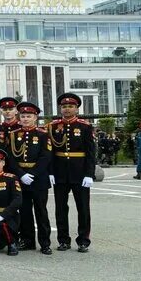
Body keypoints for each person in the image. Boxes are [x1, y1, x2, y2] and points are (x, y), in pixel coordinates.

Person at [49, 93, 96, 253]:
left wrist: (89, 174)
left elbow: (91, 152)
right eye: (64, 106)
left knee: (83, 207)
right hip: (60, 172)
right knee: (60, 208)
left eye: (70, 106)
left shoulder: (85, 126)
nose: (67, 109)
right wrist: (51, 172)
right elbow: (50, 152)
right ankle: (63, 240)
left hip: (80, 172)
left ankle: (83, 240)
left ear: (76, 108)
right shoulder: (53, 127)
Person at [7, 102, 53, 254]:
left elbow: (45, 157)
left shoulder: (43, 134)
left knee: (41, 211)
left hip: (38, 178)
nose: (26, 119)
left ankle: (45, 242)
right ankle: (27, 241)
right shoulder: (13, 135)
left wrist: (32, 174)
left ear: (35, 117)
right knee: (24, 211)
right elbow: (11, 158)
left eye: (29, 116)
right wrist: (21, 174)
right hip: (21, 178)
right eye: (23, 116)